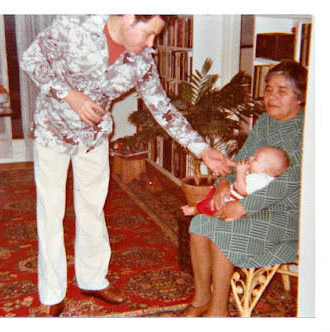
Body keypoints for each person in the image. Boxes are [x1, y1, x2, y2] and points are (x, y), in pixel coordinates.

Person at [20, 15, 235, 316]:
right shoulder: (74, 24)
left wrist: (202, 149)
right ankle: (52, 293)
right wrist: (70, 95)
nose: (151, 45)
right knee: (51, 211)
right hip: (51, 131)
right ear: (130, 16)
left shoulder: (142, 60)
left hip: (94, 138)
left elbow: (163, 107)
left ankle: (92, 279)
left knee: (92, 209)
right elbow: (32, 60)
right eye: (148, 34)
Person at [184, 60, 308, 317]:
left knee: (225, 232)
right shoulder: (265, 123)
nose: (271, 96)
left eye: (282, 91)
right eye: (269, 88)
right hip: (249, 199)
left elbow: (290, 181)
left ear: (301, 98)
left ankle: (219, 310)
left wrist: (242, 205)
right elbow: (241, 158)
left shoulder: (308, 131)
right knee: (199, 224)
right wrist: (224, 184)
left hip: (287, 214)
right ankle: (202, 297)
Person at [181, 146, 289, 217]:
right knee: (213, 191)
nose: (250, 158)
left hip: (232, 201)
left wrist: (241, 172)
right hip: (231, 195)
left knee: (212, 206)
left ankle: (195, 210)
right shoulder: (258, 174)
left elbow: (243, 191)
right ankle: (202, 205)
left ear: (267, 170)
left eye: (255, 159)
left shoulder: (261, 179)